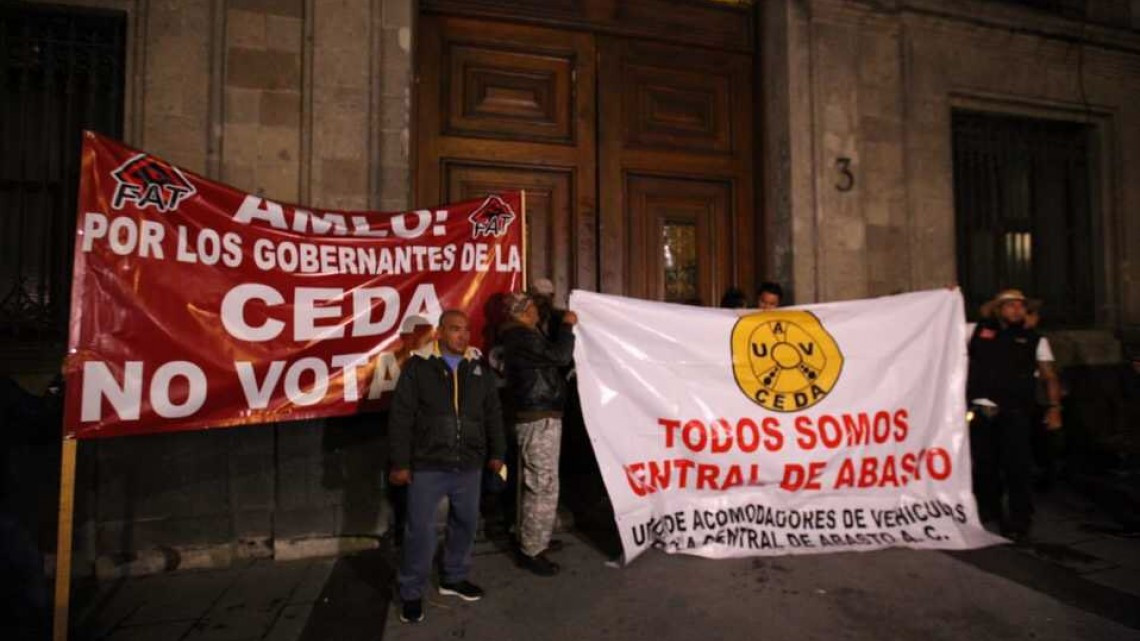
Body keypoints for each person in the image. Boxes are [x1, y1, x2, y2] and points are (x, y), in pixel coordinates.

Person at [388, 310, 506, 624]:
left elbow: (493, 413)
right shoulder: (418, 367)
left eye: (466, 330)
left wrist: (498, 453)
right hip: (428, 464)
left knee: (466, 523)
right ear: (440, 332)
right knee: (420, 532)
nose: (463, 336)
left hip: (469, 463)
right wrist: (400, 463)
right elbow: (401, 417)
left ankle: (453, 578)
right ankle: (411, 592)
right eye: (455, 329)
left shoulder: (478, 367)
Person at [967, 289, 1062, 542]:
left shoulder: (1035, 339)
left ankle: (1019, 520)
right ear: (999, 309)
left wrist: (1054, 408)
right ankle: (988, 508)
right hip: (979, 410)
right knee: (984, 463)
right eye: (1010, 305)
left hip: (1015, 411)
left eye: (1021, 306)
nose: (1017, 310)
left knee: (1016, 467)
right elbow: (942, 325)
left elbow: (1049, 376)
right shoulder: (977, 331)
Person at [498, 292, 578, 576]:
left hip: (538, 415)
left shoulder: (522, 336)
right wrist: (568, 326)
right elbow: (561, 355)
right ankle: (532, 550)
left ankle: (535, 537)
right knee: (542, 484)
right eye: (532, 307)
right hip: (538, 417)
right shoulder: (522, 336)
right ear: (522, 311)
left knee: (539, 481)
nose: (536, 312)